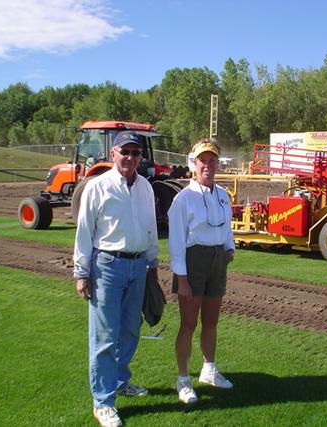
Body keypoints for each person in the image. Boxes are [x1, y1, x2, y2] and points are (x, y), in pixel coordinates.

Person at [73, 131, 159, 427]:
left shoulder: (145, 186)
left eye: (136, 153)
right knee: (105, 337)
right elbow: (84, 232)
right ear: (114, 153)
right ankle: (103, 402)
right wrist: (81, 272)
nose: (131, 158)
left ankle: (121, 379)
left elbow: (150, 227)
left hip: (138, 266)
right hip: (107, 266)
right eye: (126, 152)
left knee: (130, 332)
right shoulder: (97, 187)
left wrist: (153, 262)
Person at [168, 138, 235, 404]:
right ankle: (183, 379)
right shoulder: (183, 198)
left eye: (212, 160)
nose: (208, 165)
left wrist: (229, 248)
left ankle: (209, 369)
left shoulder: (222, 194)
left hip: (217, 261)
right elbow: (175, 241)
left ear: (217, 163)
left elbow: (227, 226)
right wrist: (182, 279)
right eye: (202, 160)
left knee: (211, 322)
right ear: (194, 164)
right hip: (192, 261)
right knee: (188, 324)